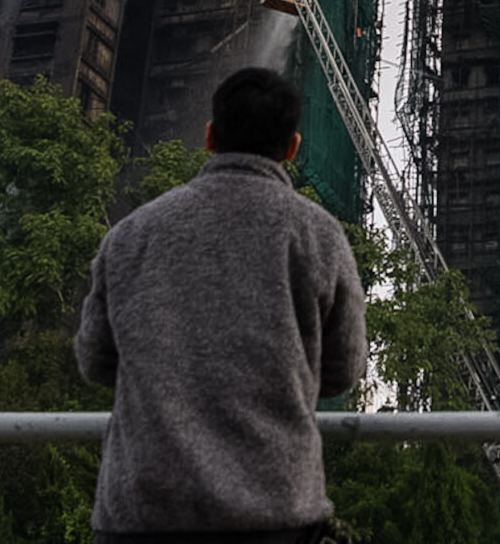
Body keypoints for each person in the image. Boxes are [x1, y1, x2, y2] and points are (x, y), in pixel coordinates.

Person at [77, 67, 368, 544]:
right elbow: (342, 370)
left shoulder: (131, 234)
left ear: (210, 136)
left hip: (142, 515)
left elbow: (96, 362)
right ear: (292, 147)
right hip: (275, 516)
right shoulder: (319, 236)